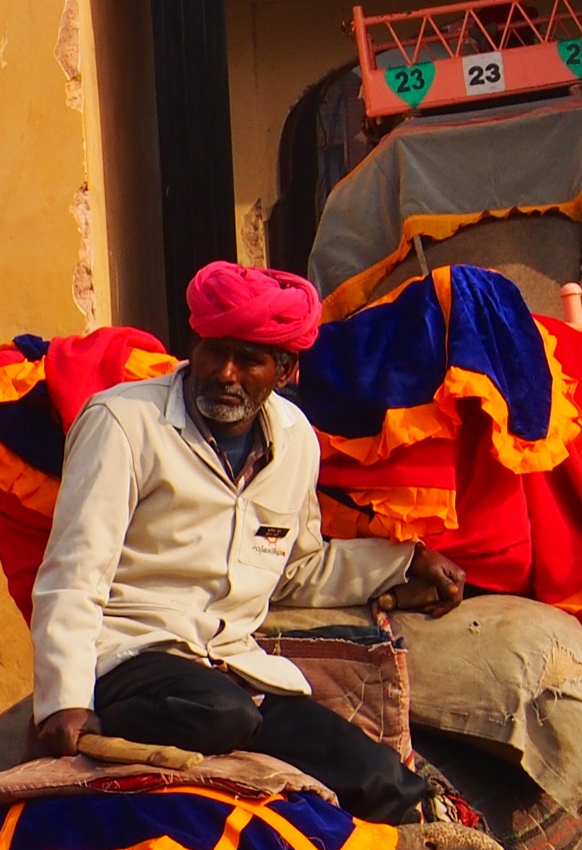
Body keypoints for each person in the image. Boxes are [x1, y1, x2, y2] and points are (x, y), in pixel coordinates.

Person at [29, 260, 465, 821]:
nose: (226, 373)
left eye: (249, 359)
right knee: (220, 714)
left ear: (285, 370)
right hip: (134, 654)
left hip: (239, 670)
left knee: (385, 782)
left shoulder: (296, 440)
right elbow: (73, 571)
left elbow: (298, 567)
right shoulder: (121, 422)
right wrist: (65, 701)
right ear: (195, 345)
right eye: (214, 352)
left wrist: (402, 567)